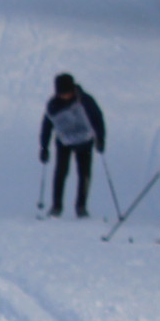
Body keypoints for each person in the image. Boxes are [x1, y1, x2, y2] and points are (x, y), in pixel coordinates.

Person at [38, 73, 106, 218]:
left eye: (67, 93)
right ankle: (56, 206)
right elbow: (46, 126)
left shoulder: (85, 101)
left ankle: (81, 207)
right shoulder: (53, 105)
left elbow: (97, 118)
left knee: (84, 174)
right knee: (60, 173)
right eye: (62, 93)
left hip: (85, 141)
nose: (65, 96)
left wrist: (100, 138)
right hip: (64, 142)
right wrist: (44, 147)